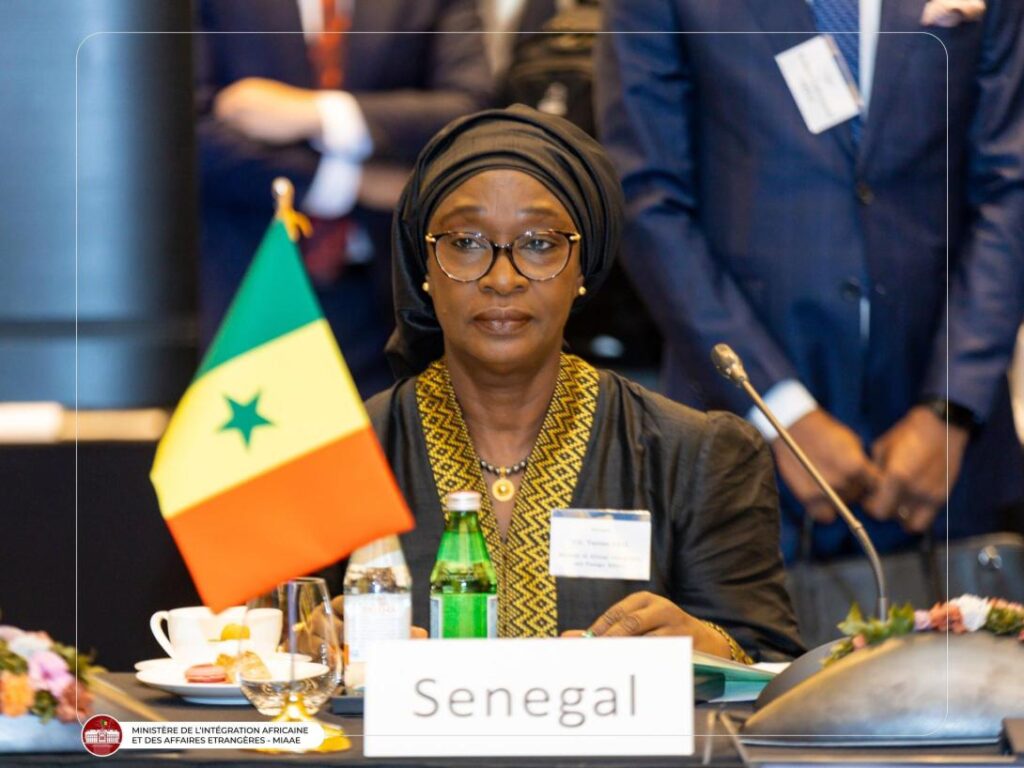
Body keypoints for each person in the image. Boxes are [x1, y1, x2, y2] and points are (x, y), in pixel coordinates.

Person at [359, 105, 803, 662]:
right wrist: (312, 640)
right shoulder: (344, 453)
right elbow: (277, 648)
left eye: (540, 243)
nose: (502, 278)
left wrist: (706, 649)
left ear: (582, 269)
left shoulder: (696, 455)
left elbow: (773, 670)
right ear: (424, 264)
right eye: (466, 242)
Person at [594, 1, 1024, 561]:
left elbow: (1010, 189)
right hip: (738, 431)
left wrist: (951, 406)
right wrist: (780, 409)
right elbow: (646, 197)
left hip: (943, 457)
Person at [196, 0, 493, 396]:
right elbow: (181, 129)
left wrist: (320, 115)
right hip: (244, 289)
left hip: (391, 302)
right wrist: (351, 184)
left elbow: (471, 112)